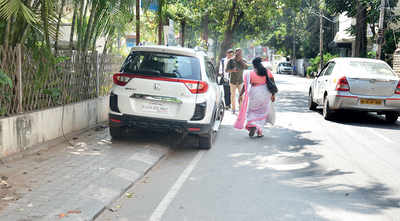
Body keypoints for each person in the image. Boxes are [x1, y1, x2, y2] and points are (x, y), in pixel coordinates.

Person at [234, 57, 276, 137]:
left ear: (253, 65)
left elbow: (245, 86)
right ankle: (259, 131)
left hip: (254, 92)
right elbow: (272, 83)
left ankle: (252, 124)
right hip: (265, 93)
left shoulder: (250, 73)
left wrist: (240, 94)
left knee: (252, 110)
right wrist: (273, 94)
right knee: (262, 112)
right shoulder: (267, 71)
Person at [226, 48, 248, 114]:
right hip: (233, 81)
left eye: (240, 52)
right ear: (235, 53)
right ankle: (233, 109)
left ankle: (241, 108)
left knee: (241, 95)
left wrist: (241, 61)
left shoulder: (243, 60)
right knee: (232, 96)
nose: (239, 54)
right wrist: (232, 70)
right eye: (238, 52)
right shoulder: (231, 60)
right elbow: (226, 70)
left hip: (240, 81)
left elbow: (246, 67)